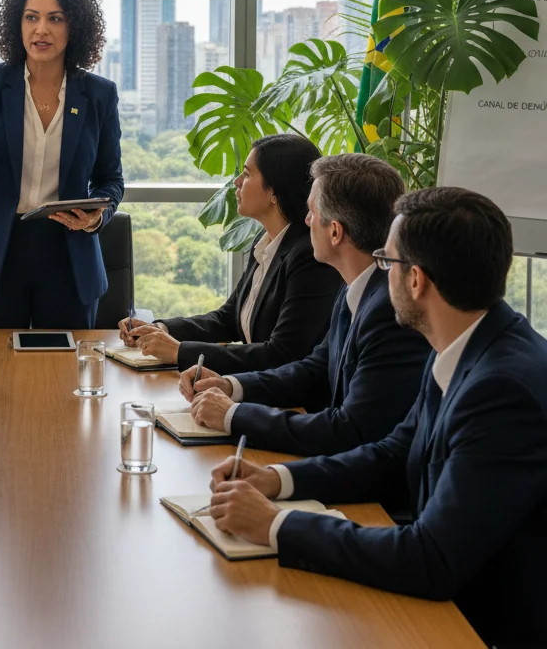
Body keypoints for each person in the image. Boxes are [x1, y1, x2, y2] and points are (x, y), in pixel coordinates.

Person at [206, 187, 547, 649]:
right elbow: (392, 454)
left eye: (386, 263)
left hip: (478, 626)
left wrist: (275, 525)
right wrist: (277, 479)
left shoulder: (501, 389)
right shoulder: (465, 339)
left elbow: (433, 558)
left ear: (416, 281)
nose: (378, 275)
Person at [179, 153, 430, 461]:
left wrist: (234, 416)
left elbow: (349, 432)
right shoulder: (358, 285)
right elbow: (314, 369)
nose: (306, 220)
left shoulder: (390, 312)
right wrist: (230, 385)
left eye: (312, 212)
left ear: (335, 232)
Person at [0, 0, 124, 328]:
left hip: (67, 252)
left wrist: (98, 215)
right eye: (31, 17)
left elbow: (111, 179)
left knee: (66, 373)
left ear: (76, 27)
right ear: (16, 24)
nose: (41, 29)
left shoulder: (99, 95)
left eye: (55, 18)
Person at [120, 134, 340, 371]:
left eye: (246, 174)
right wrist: (161, 329)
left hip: (289, 401)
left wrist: (179, 351)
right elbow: (228, 319)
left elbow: (281, 354)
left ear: (274, 191)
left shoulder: (308, 255)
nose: (237, 182)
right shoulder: (266, 242)